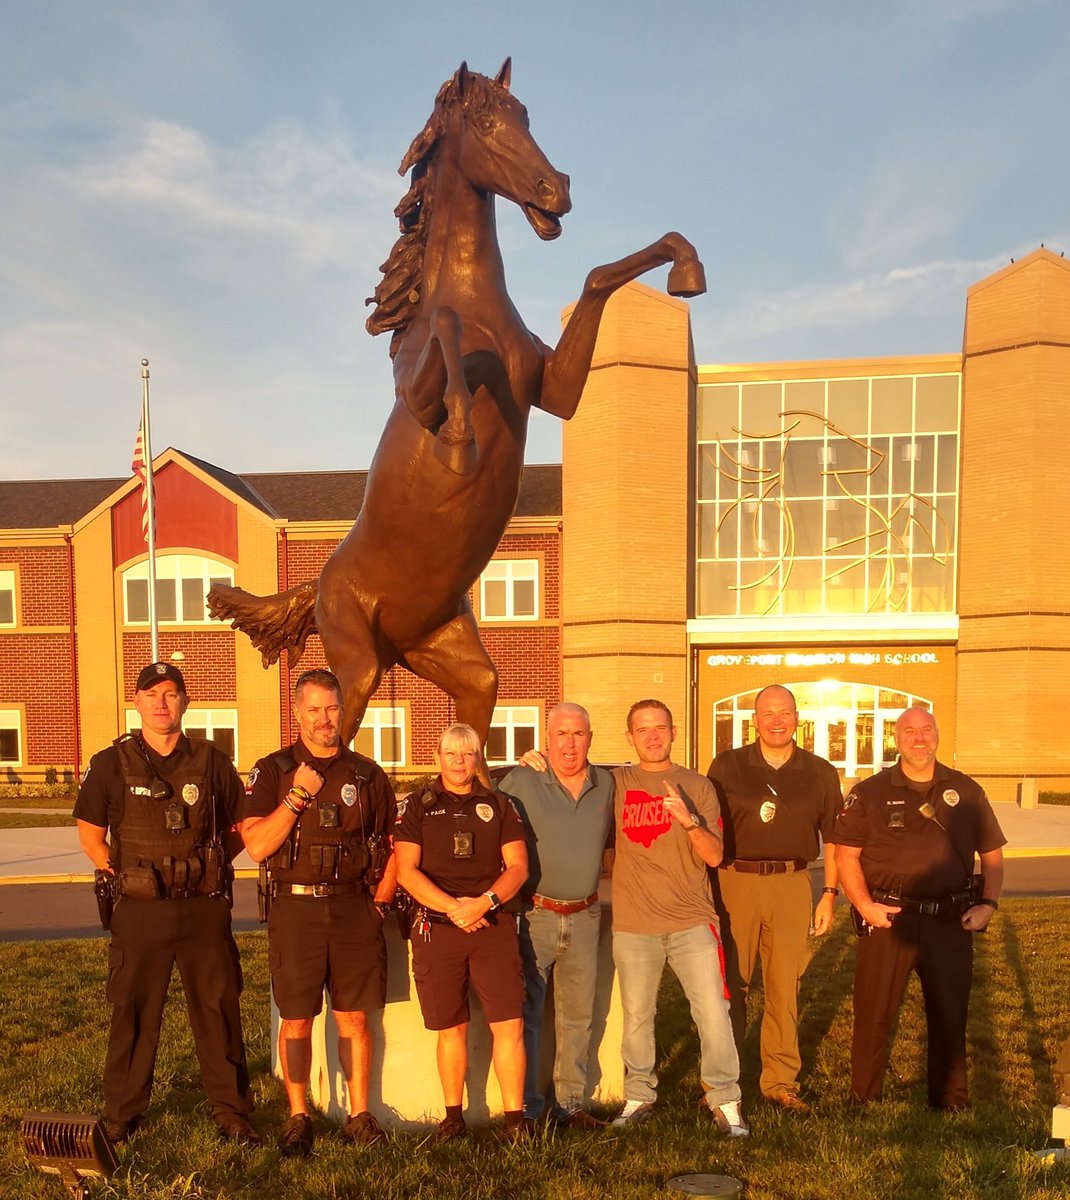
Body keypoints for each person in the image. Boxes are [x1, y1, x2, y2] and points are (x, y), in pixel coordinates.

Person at [73, 661, 257, 1145]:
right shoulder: (111, 763)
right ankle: (122, 1114)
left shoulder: (213, 761)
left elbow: (240, 828)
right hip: (140, 909)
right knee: (132, 1010)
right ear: (136, 702)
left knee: (218, 1009)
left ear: (185, 702)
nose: (161, 703)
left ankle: (232, 1112)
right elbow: (91, 835)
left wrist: (208, 865)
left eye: (171, 693)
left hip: (203, 907)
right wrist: (124, 875)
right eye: (151, 694)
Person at [240, 668, 396, 1156]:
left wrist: (379, 906)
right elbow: (257, 846)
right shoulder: (273, 771)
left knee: (354, 1018)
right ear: (297, 712)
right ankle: (298, 1115)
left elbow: (394, 847)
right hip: (296, 907)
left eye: (332, 708)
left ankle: (358, 1115)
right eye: (314, 709)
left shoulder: (367, 774)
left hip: (354, 907)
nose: (325, 718)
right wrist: (296, 796)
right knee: (298, 1019)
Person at [832, 706, 1005, 1109]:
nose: (919, 738)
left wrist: (988, 905)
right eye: (909, 731)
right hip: (889, 919)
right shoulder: (870, 792)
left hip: (950, 920)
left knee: (949, 1013)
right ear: (897, 739)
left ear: (938, 735)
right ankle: (864, 1098)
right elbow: (846, 856)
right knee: (873, 1014)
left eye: (927, 729)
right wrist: (864, 905)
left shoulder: (966, 790)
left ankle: (950, 1101)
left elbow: (992, 855)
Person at [610, 699, 745, 1135]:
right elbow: (566, 778)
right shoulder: (615, 783)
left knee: (712, 1011)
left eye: (660, 728)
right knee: (636, 1016)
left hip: (692, 921)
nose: (652, 735)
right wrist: (535, 759)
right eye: (643, 728)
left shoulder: (697, 785)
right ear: (629, 737)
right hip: (633, 923)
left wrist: (688, 821)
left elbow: (715, 855)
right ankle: (638, 1096)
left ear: (673, 733)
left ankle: (724, 1098)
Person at [706, 684, 841, 1112]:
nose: (777, 721)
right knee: (731, 985)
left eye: (784, 713)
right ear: (755, 720)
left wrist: (829, 894)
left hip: (791, 881)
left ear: (797, 717)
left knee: (785, 985)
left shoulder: (819, 771)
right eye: (768, 713)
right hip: (735, 880)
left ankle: (780, 1081)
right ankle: (721, 1082)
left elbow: (834, 839)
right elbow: (707, 828)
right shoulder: (727, 766)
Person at [393, 723, 530, 1142]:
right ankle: (453, 1119)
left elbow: (518, 867)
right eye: (451, 753)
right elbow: (406, 871)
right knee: (450, 1027)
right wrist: (456, 909)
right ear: (438, 758)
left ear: (477, 758)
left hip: (492, 926)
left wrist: (483, 903)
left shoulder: (500, 804)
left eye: (468, 753)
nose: (459, 761)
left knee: (509, 1025)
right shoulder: (416, 805)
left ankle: (514, 1122)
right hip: (439, 928)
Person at [499, 702, 614, 1128]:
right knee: (528, 1013)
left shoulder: (606, 784)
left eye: (578, 734)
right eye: (561, 735)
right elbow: (480, 800)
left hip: (585, 915)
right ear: (547, 741)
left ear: (590, 738)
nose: (570, 743)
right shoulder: (522, 780)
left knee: (578, 1016)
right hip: (536, 914)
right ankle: (527, 1106)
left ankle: (570, 1105)